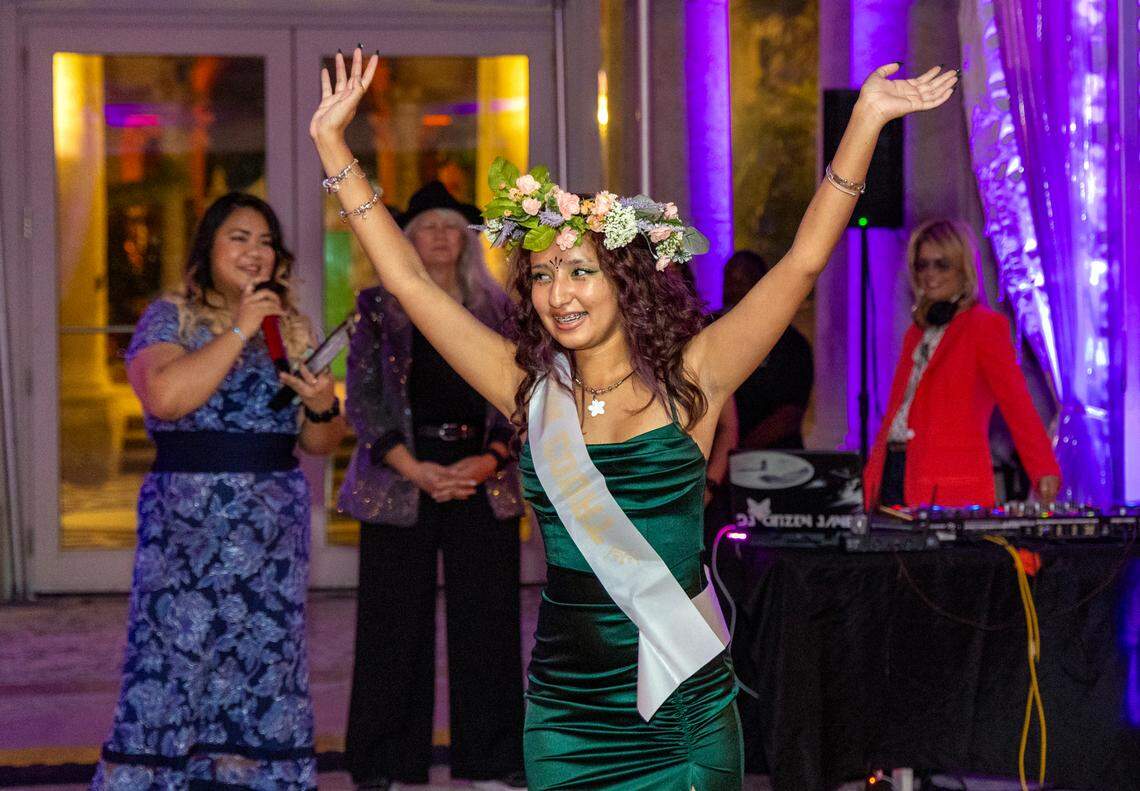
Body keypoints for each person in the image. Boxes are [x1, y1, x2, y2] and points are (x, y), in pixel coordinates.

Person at [311, 47, 956, 789]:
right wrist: (335, 146)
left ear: (624, 281)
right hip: (564, 707)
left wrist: (867, 120)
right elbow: (410, 284)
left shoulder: (695, 380)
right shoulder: (527, 389)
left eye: (580, 269)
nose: (559, 292)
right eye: (544, 273)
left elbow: (802, 263)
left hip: (679, 700)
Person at [91, 193, 345, 791]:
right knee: (174, 661)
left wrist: (320, 405)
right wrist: (241, 328)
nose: (255, 252)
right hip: (186, 537)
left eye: (265, 242)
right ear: (208, 248)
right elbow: (168, 398)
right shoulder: (168, 317)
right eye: (239, 238)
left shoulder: (292, 328)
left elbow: (321, 442)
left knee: (265, 663)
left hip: (272, 540)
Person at [337, 181, 526, 791]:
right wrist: (414, 468)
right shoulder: (375, 308)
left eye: (452, 226)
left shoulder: (502, 310)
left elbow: (525, 397)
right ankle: (386, 764)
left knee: (489, 625)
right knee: (392, 625)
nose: (442, 236)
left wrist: (489, 459)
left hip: (482, 474)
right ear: (405, 241)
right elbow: (363, 399)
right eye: (428, 226)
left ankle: (492, 761)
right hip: (400, 478)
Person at [864, 218, 1061, 508]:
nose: (929, 274)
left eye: (941, 264)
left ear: (964, 269)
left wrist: (1043, 469)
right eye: (922, 265)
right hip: (897, 473)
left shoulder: (984, 327)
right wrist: (872, 476)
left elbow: (1017, 405)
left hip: (949, 486)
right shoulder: (916, 333)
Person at [722, 250, 814, 449]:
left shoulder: (791, 344)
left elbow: (790, 413)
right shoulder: (711, 331)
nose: (733, 289)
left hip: (777, 459)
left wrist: (738, 449)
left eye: (742, 281)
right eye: (729, 281)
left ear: (761, 285)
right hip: (721, 459)